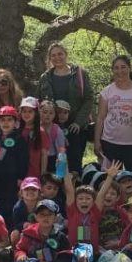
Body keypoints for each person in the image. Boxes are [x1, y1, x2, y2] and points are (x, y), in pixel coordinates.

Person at [37, 42, 93, 173]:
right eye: (53, 55)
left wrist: (78, 123)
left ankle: (73, 189)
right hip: (52, 128)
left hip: (75, 128)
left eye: (60, 54)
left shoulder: (79, 74)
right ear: (49, 58)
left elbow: (88, 99)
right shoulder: (45, 77)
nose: (57, 58)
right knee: (53, 163)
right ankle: (55, 190)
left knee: (74, 164)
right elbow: (39, 101)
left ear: (66, 54)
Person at [94, 55, 132, 174]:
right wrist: (97, 141)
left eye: (123, 67)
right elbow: (100, 118)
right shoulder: (107, 91)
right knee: (111, 181)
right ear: (113, 70)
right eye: (116, 68)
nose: (120, 71)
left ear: (130, 68)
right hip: (110, 143)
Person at [18, 96, 48, 178]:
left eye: (30, 111)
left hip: (34, 174)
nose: (26, 114)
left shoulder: (40, 132)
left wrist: (43, 174)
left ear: (36, 113)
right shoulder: (17, 131)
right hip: (18, 175)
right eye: (24, 111)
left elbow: (44, 154)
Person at [37, 99, 67, 174]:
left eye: (51, 113)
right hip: (37, 159)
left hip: (52, 159)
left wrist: (60, 172)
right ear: (39, 113)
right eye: (45, 112)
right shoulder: (35, 128)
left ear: (54, 115)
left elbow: (61, 151)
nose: (48, 115)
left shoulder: (57, 130)